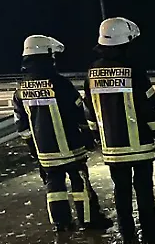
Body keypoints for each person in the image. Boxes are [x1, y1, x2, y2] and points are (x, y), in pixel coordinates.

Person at [83, 17, 155, 244]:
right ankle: (151, 234)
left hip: (112, 147)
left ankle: (127, 235)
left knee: (121, 191)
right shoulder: (133, 70)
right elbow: (149, 106)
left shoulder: (92, 72)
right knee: (144, 191)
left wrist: (96, 135)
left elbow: (90, 110)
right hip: (139, 145)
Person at [12, 35, 113, 233]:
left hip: (45, 151)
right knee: (80, 183)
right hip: (71, 147)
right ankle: (89, 220)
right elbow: (79, 112)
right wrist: (88, 136)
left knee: (54, 187)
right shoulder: (60, 84)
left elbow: (21, 124)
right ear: (47, 57)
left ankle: (61, 223)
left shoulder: (20, 89)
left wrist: (33, 147)